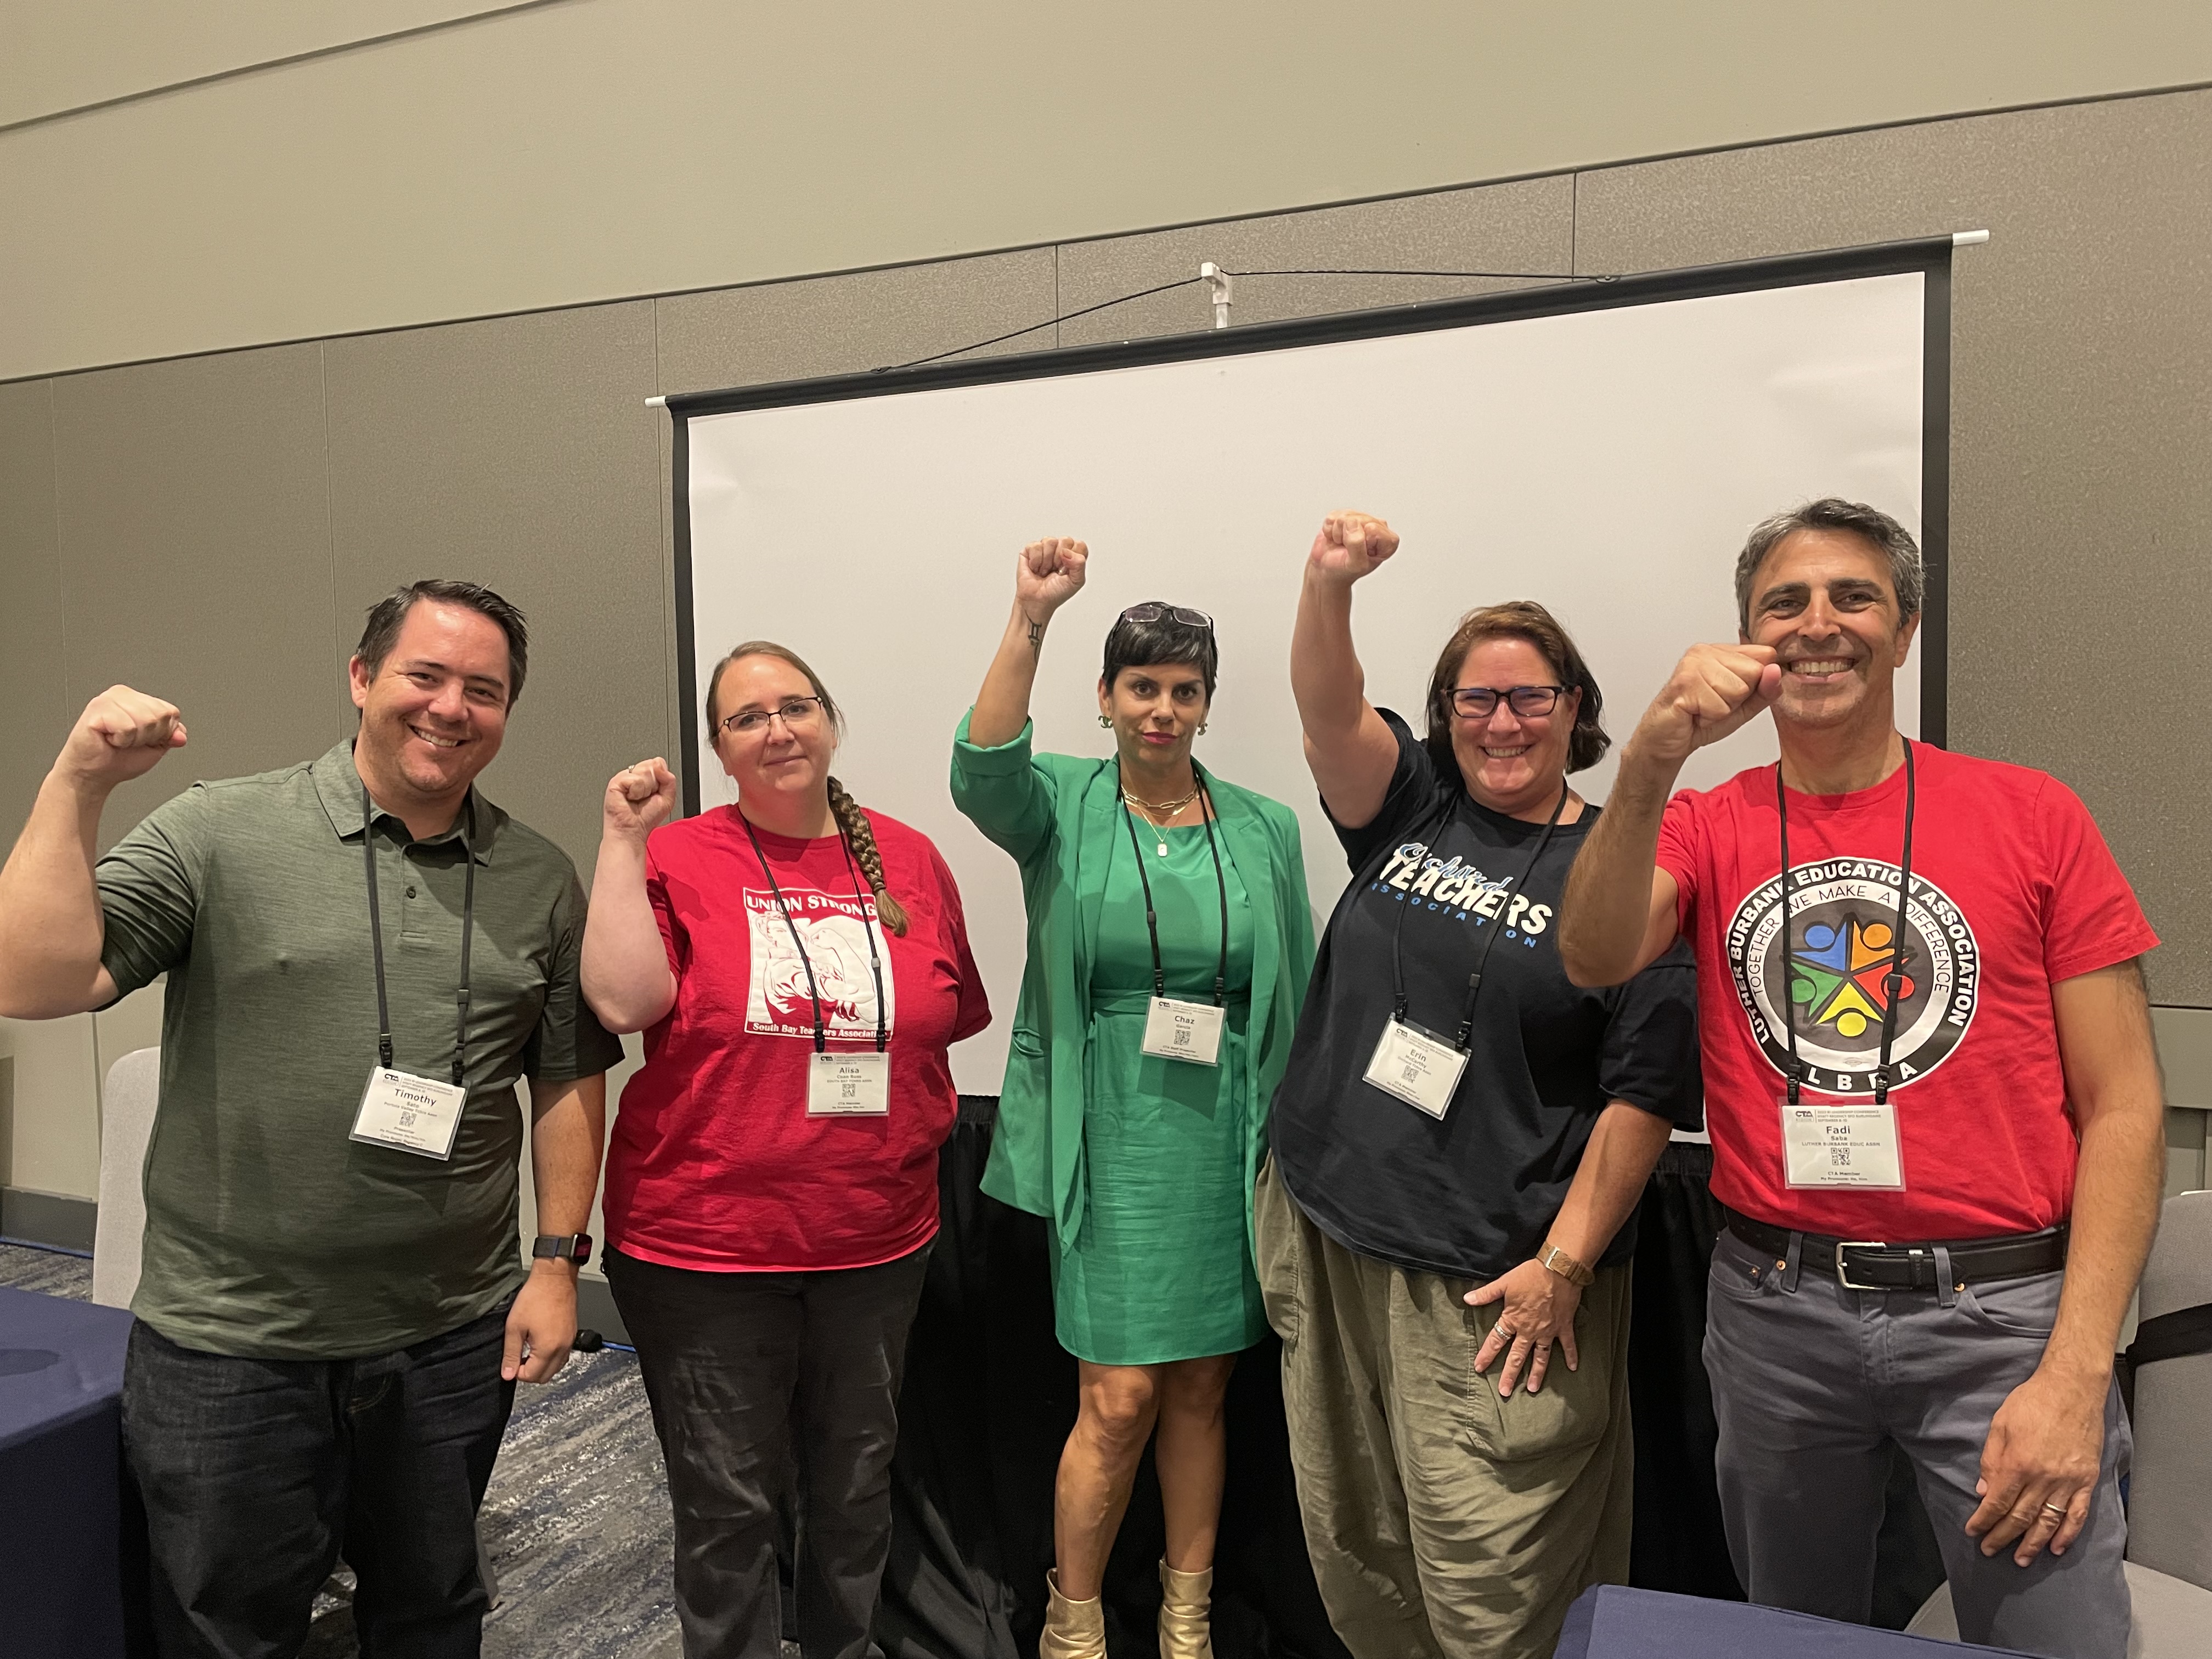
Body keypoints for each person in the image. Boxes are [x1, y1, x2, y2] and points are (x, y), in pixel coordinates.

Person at [1557, 499, 2165, 1658]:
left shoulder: (2033, 815)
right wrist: (1651, 753)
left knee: (2057, 1639)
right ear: (1748, 638)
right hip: (1775, 1312)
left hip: (2001, 1320)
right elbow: (1591, 952)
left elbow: (2127, 1108)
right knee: (1797, 1638)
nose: (1818, 624)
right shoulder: (1705, 821)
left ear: (1906, 630)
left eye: (1854, 598)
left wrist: (2078, 1372)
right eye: (1783, 603)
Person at [0, 581, 622, 1657]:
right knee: (227, 1629)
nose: (451, 708)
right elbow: (31, 979)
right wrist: (79, 782)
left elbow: (564, 1079)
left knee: (432, 1611)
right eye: (425, 675)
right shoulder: (220, 828)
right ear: (362, 678)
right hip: (234, 1344)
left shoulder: (538, 876)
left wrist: (559, 1261)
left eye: (484, 690)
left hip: (448, 1334)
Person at [1256, 511, 1702, 1659]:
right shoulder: (1415, 804)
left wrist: (1564, 1269)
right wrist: (1328, 585)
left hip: (1489, 1285)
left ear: (1576, 709)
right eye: (1476, 700)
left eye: (1529, 697)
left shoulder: (1627, 874)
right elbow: (1328, 710)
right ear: (1445, 716)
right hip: (1329, 1227)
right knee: (1358, 1544)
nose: (1502, 722)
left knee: (1494, 1577)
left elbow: (1644, 1098)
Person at [583, 641, 990, 1659]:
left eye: (795, 706)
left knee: (855, 1492)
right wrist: (623, 840)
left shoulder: (910, 858)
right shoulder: (678, 856)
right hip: (707, 1249)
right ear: (720, 750)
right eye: (746, 718)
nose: (777, 730)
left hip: (876, 1242)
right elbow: (624, 1003)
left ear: (830, 721)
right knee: (728, 1510)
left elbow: (946, 1018)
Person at [950, 538, 1314, 1659]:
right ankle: (1074, 1625)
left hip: (1225, 1143)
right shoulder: (1062, 801)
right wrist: (1032, 614)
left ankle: (1185, 1620)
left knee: (1202, 1389)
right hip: (1106, 1138)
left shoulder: (1263, 825)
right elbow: (981, 766)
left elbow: (1295, 992)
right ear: (1106, 698)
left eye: (1184, 690)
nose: (1163, 710)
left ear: (1207, 705)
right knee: (1115, 1400)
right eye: (1142, 687)